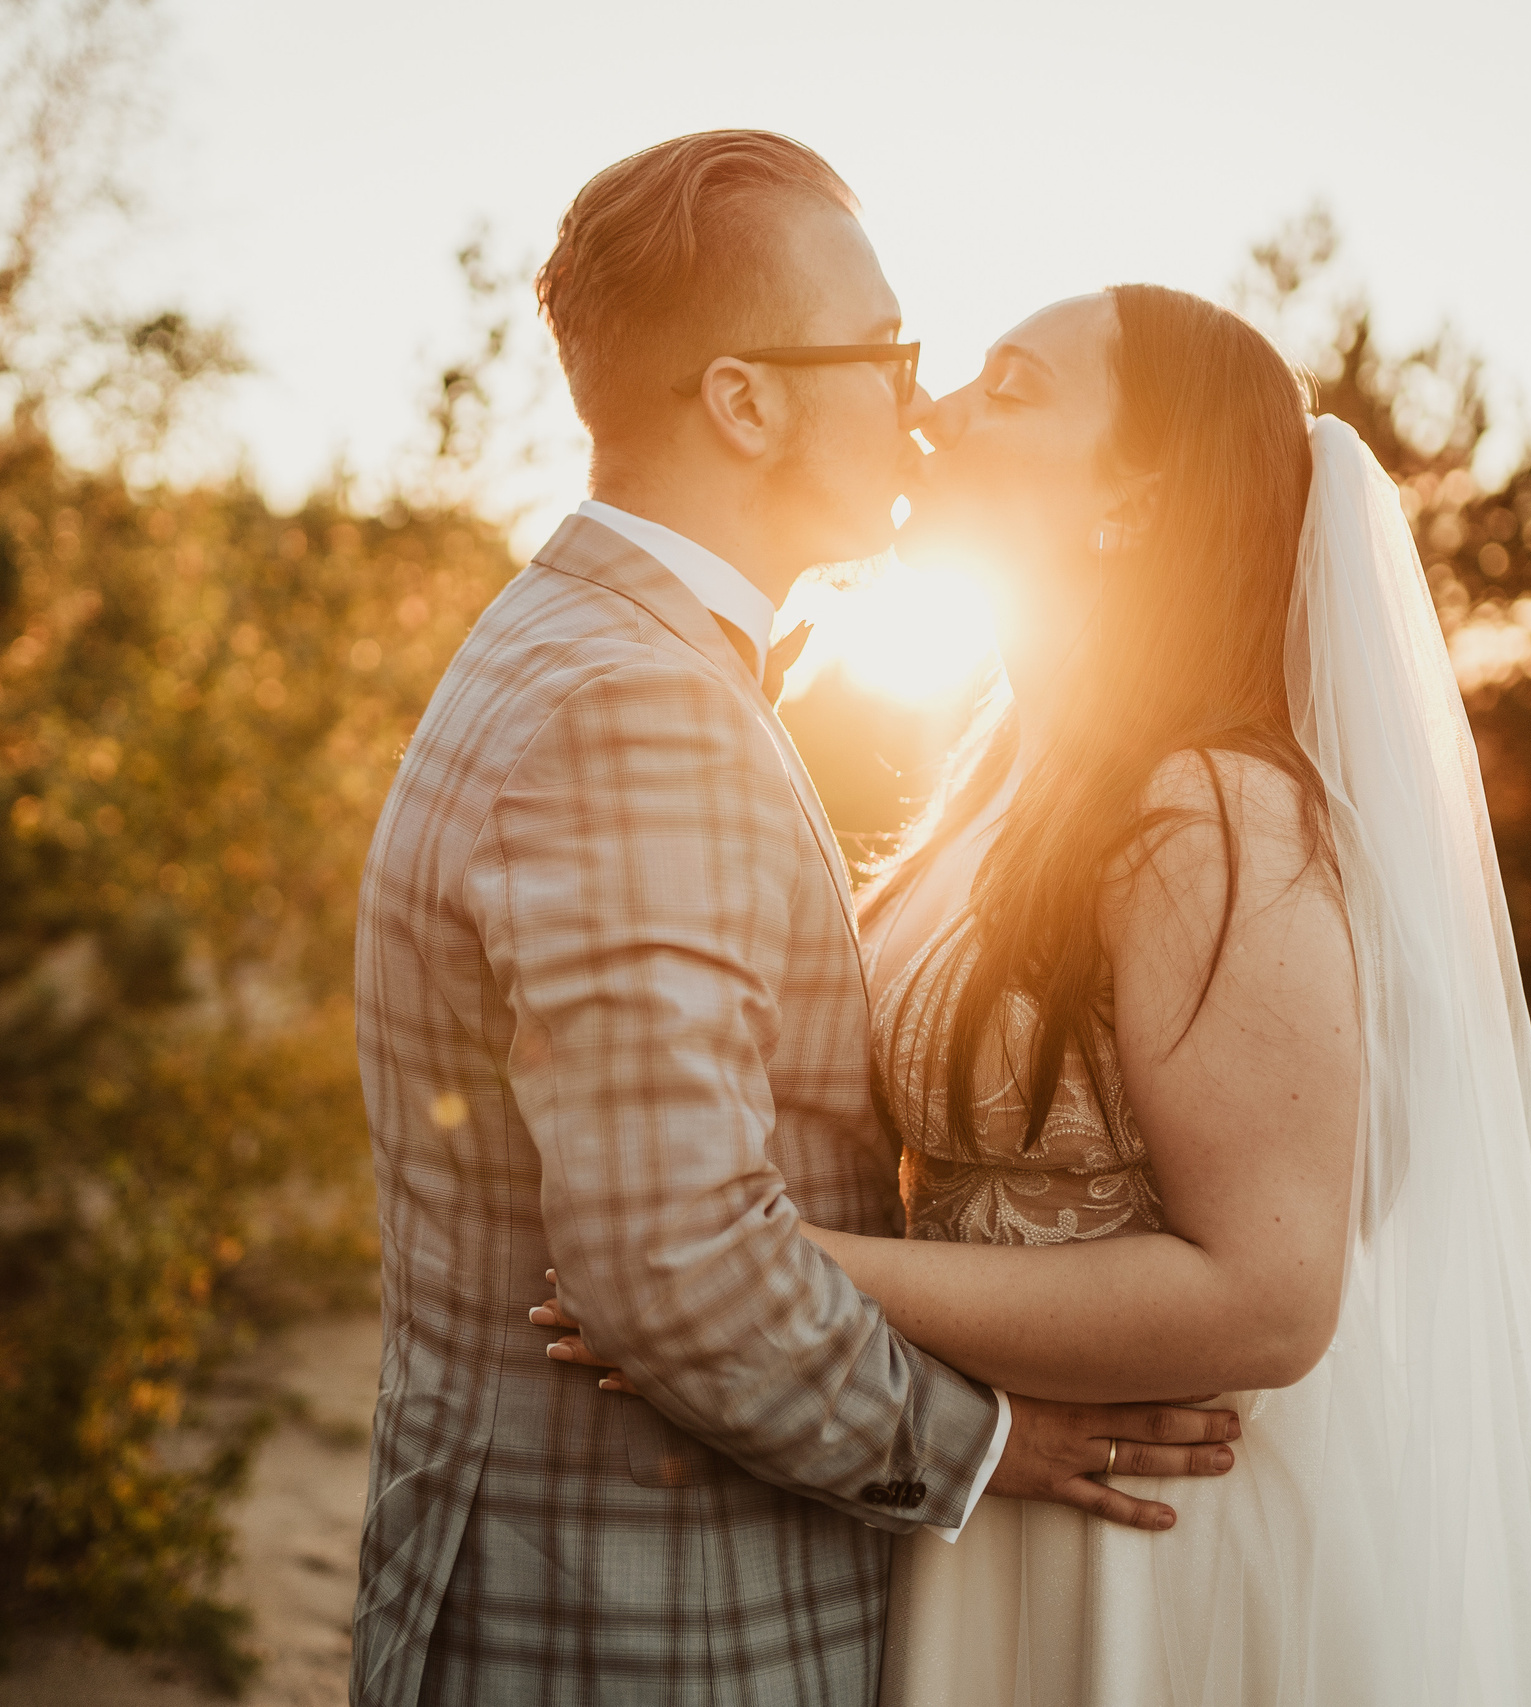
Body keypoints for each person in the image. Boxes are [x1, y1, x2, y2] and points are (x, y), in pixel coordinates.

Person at [539, 284, 1531, 1703]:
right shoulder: (1007, 782)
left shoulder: (1209, 814)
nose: (931, 409)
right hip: (1006, 1503)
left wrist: (766, 1273)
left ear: (1133, 500)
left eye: (1008, 389)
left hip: (1152, 1555)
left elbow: (1268, 1297)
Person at [348, 133, 1241, 1707]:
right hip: (641, 1611)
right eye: (885, 351)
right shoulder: (638, 708)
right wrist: (990, 1449)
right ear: (746, 400)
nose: (919, 396)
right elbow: (676, 1262)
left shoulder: (597, 646)